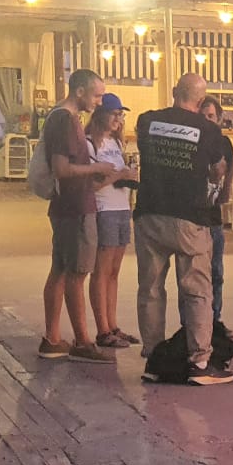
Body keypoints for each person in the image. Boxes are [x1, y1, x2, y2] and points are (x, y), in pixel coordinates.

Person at [134, 73, 233, 385]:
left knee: (151, 288)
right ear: (201, 100)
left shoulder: (147, 121)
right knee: (197, 289)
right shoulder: (208, 129)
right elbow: (216, 171)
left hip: (149, 214)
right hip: (189, 218)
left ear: (174, 91)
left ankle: (154, 359)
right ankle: (200, 361)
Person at [38, 68, 119, 364]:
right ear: (80, 91)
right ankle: (82, 341)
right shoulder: (66, 120)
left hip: (64, 206)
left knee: (60, 270)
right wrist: (97, 168)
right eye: (97, 95)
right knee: (77, 273)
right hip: (76, 207)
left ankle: (52, 338)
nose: (99, 102)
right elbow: (62, 168)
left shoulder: (58, 117)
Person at [86, 93, 138, 350]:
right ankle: (102, 329)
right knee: (102, 270)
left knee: (114, 272)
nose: (118, 119)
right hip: (104, 209)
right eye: (114, 114)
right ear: (101, 115)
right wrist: (118, 176)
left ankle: (113, 324)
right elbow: (90, 185)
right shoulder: (89, 144)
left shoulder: (116, 143)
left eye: (121, 114)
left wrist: (129, 176)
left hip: (121, 208)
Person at [199, 96, 233, 321]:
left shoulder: (223, 142)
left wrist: (227, 187)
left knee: (216, 272)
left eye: (211, 116)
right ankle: (190, 322)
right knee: (192, 274)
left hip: (213, 217)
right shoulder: (192, 140)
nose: (206, 120)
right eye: (202, 116)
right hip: (193, 217)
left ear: (219, 118)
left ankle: (215, 318)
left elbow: (231, 162)